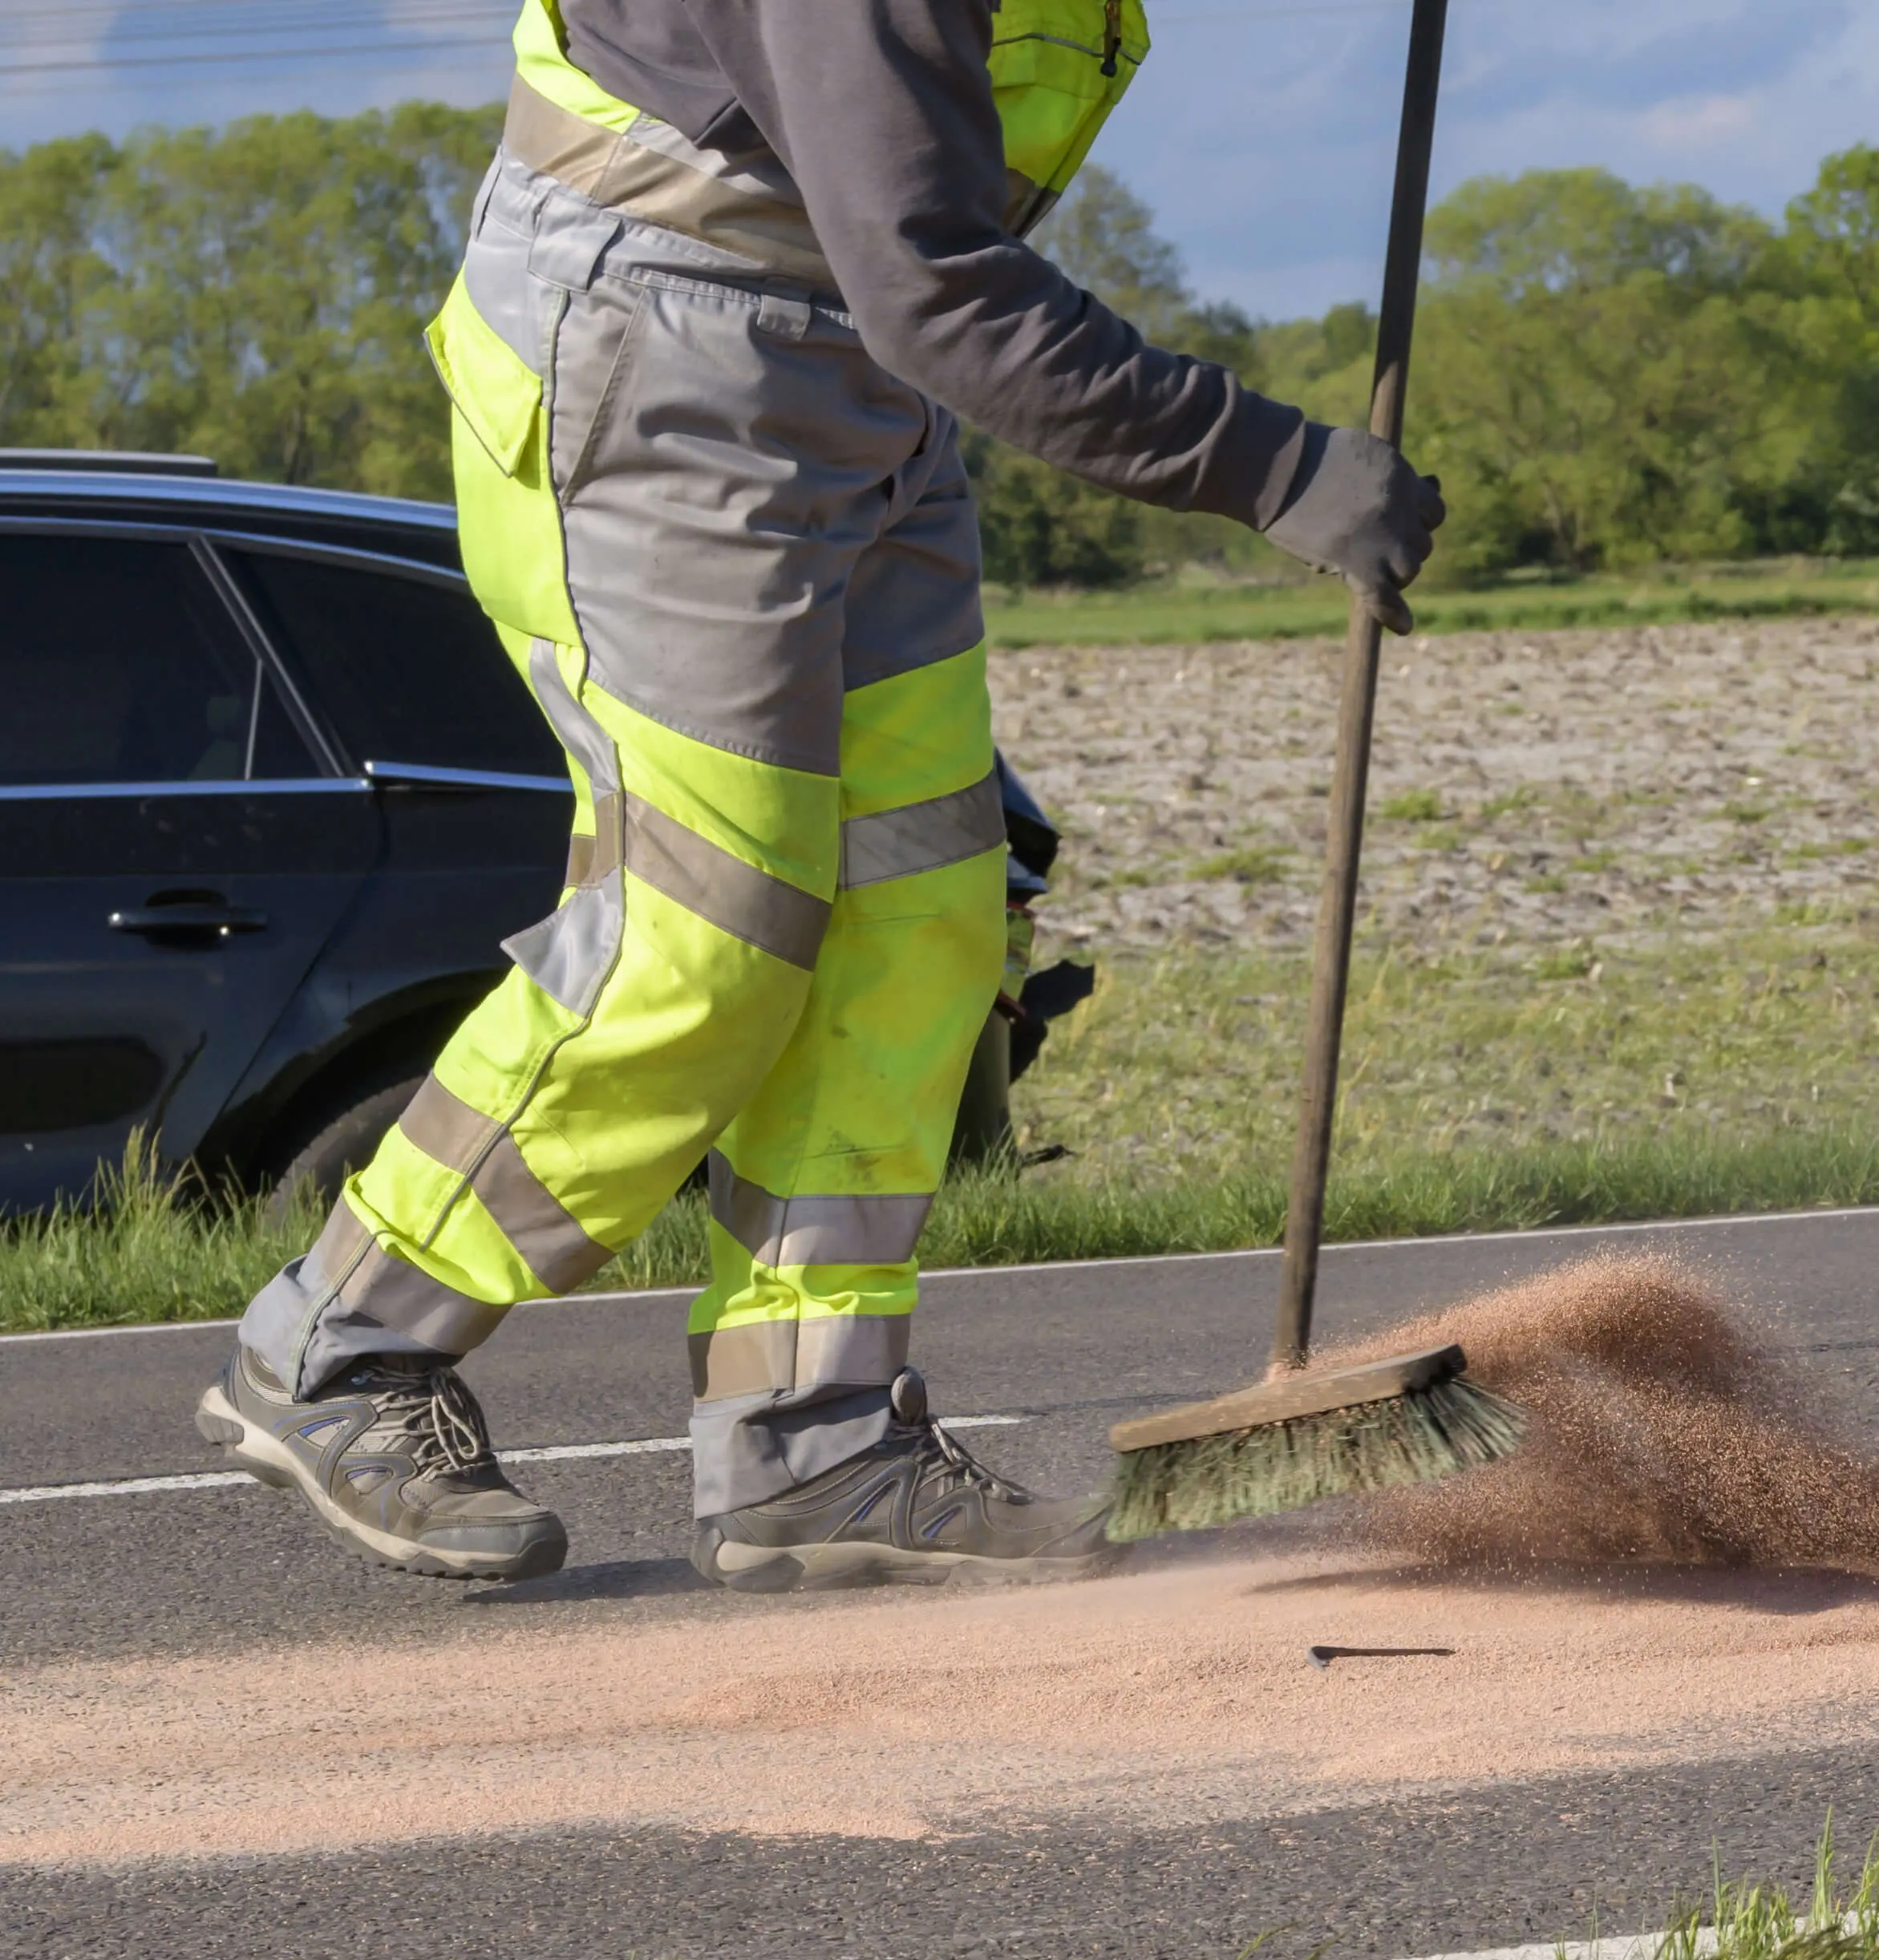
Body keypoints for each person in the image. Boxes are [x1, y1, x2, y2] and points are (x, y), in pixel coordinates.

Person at [197, 0, 1440, 1591]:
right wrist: (1270, 467)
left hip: (859, 369)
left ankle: (815, 1437)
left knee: (918, 921)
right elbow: (936, 281)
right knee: (703, 927)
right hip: (658, 356)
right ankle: (342, 1343)